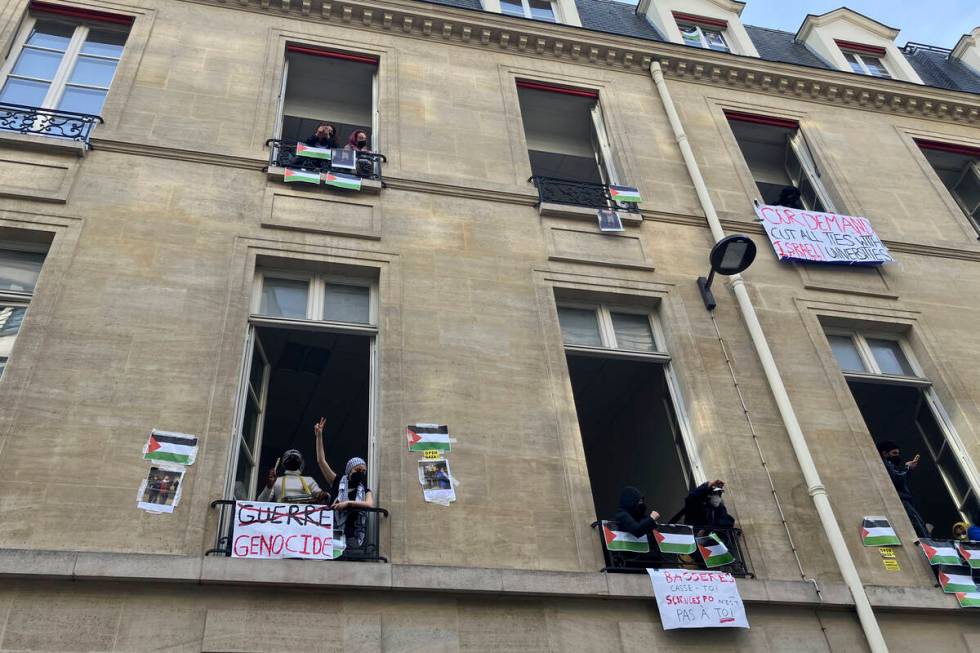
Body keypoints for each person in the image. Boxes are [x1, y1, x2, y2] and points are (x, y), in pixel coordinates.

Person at [313, 417, 375, 552]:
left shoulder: (366, 490)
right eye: (357, 470)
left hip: (354, 539)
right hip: (333, 536)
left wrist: (348, 504)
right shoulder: (336, 481)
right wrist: (319, 436)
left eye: (364, 471)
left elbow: (369, 504)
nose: (361, 473)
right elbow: (321, 461)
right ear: (349, 471)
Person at [877, 440, 929, 538]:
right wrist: (908, 468)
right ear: (884, 453)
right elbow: (897, 480)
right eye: (894, 453)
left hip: (904, 502)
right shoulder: (885, 464)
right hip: (902, 502)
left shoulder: (889, 465)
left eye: (898, 453)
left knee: (919, 525)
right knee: (917, 526)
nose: (897, 456)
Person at [257, 448, 329, 504]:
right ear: (301, 464)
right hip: (283, 518)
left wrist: (323, 496)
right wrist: (269, 487)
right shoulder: (277, 481)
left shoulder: (309, 480)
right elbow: (260, 502)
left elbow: (325, 499)